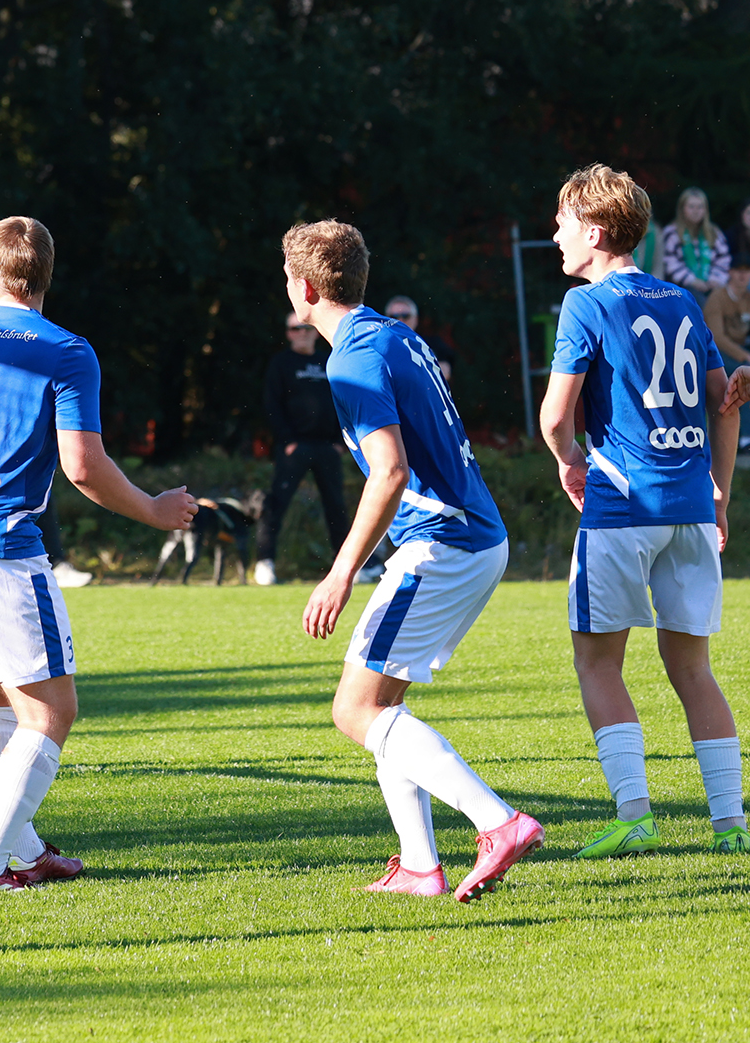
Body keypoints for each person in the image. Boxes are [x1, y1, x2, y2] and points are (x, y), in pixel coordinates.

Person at [0, 216, 198, 893]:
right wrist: (153, 509)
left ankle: (29, 852)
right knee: (51, 713)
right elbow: (82, 467)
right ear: (46, 277)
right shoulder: (66, 350)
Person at [285, 219, 543, 902]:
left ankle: (498, 822)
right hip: (472, 537)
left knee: (354, 710)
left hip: (444, 543)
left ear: (304, 288)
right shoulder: (393, 334)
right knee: (384, 705)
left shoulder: (351, 359)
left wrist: (340, 572)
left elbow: (390, 472)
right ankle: (420, 866)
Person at [539, 163, 747, 857]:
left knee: (598, 662)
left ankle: (634, 814)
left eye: (564, 222)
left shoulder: (586, 304)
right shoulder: (683, 302)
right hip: (690, 510)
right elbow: (726, 406)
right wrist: (720, 496)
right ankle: (731, 825)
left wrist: (569, 460)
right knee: (693, 669)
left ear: (595, 231)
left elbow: (554, 418)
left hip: (622, 508)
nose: (556, 235)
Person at [253, 312, 351, 587]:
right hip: (294, 447)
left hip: (328, 447)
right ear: (288, 333)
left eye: (306, 327)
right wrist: (287, 440)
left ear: (315, 331)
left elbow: (343, 400)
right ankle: (265, 562)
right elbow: (272, 405)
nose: (302, 333)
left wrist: (339, 441)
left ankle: (347, 568)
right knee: (277, 503)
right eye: (295, 328)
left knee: (336, 507)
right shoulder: (281, 363)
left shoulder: (328, 361)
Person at [661, 186, 730, 306]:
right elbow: (670, 262)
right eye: (691, 207)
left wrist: (715, 279)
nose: (696, 211)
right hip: (682, 286)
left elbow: (723, 259)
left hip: (712, 284)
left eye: (700, 207)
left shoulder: (714, 233)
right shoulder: (672, 232)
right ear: (682, 209)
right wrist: (692, 281)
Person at [382, 296, 454, 384]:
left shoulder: (430, 344)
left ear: (415, 319)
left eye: (405, 316)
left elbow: (445, 368)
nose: (400, 320)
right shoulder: (378, 345)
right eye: (394, 317)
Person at [703, 255, 750, 366]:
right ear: (730, 272)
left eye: (747, 271)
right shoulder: (717, 297)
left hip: (742, 345)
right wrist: (744, 355)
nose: (742, 275)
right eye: (738, 270)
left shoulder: (747, 297)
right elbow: (717, 337)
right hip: (719, 351)